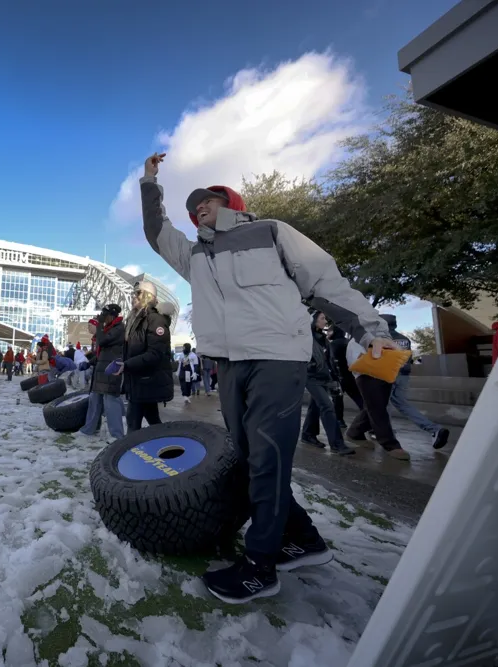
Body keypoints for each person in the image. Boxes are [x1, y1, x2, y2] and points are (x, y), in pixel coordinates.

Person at [140, 151, 395, 604]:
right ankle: (306, 539)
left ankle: (261, 566)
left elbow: (325, 282)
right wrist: (150, 183)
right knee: (248, 458)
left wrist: (371, 329)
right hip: (229, 363)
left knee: (267, 459)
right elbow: (157, 233)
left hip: (278, 356)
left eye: (209, 200)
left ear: (232, 203)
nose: (199, 206)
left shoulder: (271, 230)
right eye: (194, 204)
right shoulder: (195, 254)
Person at [381, 314, 450, 449]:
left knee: (383, 405)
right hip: (404, 375)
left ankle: (386, 435)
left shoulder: (383, 339)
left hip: (389, 374)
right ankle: (434, 429)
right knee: (403, 404)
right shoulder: (404, 339)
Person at [345, 337, 411, 461]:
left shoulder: (382, 336)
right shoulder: (358, 338)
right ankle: (390, 444)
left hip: (385, 374)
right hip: (366, 376)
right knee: (377, 409)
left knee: (374, 406)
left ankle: (355, 433)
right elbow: (354, 361)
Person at [120, 281, 173, 431]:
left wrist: (127, 364)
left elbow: (155, 353)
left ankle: (130, 450)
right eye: (133, 293)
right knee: (152, 420)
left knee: (133, 421)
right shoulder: (135, 320)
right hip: (137, 381)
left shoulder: (156, 320)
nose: (133, 296)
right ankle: (168, 447)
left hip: (147, 381)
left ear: (149, 296)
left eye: (138, 293)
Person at [300, 312, 355, 455]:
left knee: (315, 407)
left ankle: (308, 434)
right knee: (328, 407)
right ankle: (337, 445)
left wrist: (334, 377)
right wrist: (310, 367)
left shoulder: (323, 339)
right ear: (313, 321)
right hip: (311, 377)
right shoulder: (306, 337)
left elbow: (328, 360)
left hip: (324, 377)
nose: (325, 321)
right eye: (322, 318)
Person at [81, 304, 126, 440]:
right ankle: (88, 430)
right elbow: (103, 353)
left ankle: (116, 436)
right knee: (94, 401)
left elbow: (102, 341)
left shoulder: (118, 329)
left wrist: (99, 325)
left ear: (111, 315)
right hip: (101, 371)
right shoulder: (108, 328)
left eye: (104, 315)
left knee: (111, 403)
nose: (102, 318)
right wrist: (89, 362)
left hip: (110, 371)